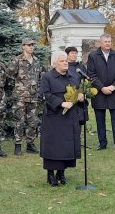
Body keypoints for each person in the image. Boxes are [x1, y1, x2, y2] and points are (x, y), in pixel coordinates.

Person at [39, 53, 83, 186]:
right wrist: (60, 103)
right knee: (54, 146)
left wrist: (81, 97)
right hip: (54, 117)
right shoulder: (47, 77)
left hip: (70, 117)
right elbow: (45, 94)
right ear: (55, 64)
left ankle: (61, 172)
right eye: (62, 61)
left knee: (66, 146)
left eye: (66, 61)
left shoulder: (73, 77)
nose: (65, 63)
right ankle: (51, 174)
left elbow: (78, 93)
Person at [87, 34, 115, 151]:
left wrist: (113, 86)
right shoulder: (93, 56)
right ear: (100, 43)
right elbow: (91, 74)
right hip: (99, 93)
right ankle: (102, 143)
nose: (107, 43)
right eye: (105, 41)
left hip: (113, 92)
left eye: (109, 41)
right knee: (100, 120)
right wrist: (102, 88)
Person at [8, 38, 44, 155]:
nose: (31, 47)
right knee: (20, 121)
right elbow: (10, 77)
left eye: (33, 45)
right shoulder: (17, 60)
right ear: (23, 46)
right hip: (20, 97)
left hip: (33, 97)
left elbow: (40, 78)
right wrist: (18, 89)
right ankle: (18, 145)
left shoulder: (37, 61)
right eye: (29, 45)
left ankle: (30, 144)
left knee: (33, 121)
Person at [65, 46, 88, 126]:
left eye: (75, 53)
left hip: (80, 97)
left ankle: (78, 138)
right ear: (67, 55)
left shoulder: (81, 67)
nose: (74, 55)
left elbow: (86, 81)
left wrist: (83, 93)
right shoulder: (64, 66)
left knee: (79, 121)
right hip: (68, 97)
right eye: (72, 53)